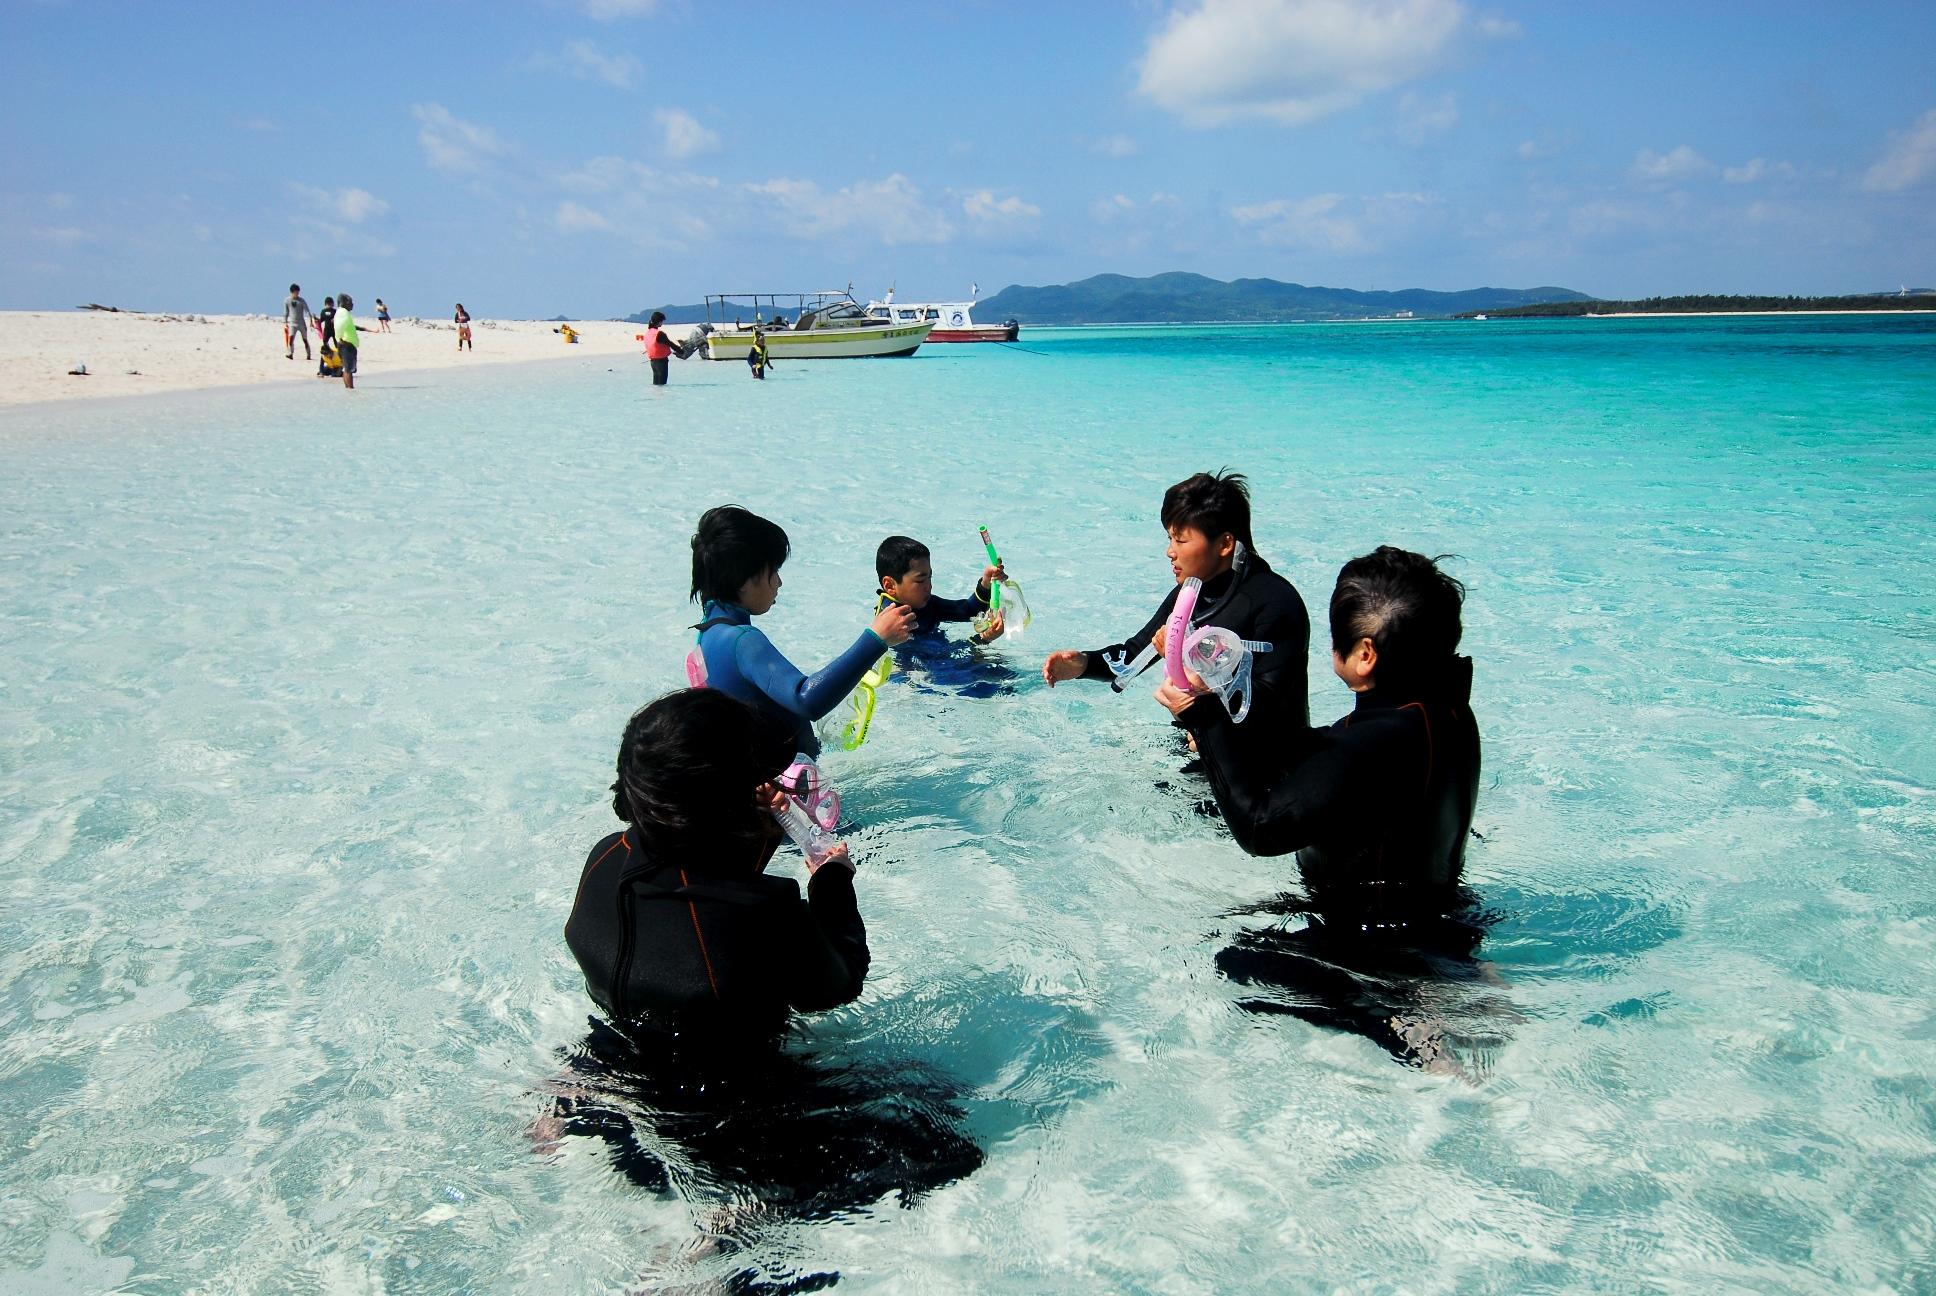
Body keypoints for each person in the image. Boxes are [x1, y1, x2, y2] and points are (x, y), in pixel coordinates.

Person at [1156, 546, 1481, 918]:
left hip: (1372, 957)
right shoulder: (1443, 712)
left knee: (1221, 950)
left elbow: (1260, 829)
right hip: (1439, 917)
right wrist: (1225, 719)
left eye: (1335, 633)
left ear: (1365, 655)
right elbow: (1330, 765)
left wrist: (1204, 722)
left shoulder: (1365, 747)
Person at [565, 689, 870, 1037]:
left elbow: (703, 886)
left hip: (610, 1045)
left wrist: (763, 822)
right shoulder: (764, 912)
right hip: (733, 1082)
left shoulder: (605, 856)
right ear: (730, 807)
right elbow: (836, 989)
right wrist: (833, 885)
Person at [1041, 471, 1310, 746]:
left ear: (1225, 544)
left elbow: (1271, 703)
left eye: (1180, 541)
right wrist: (1083, 664)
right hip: (1205, 744)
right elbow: (1136, 653)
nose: (1170, 552)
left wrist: (1185, 656)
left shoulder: (1275, 602)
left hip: (1268, 763)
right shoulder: (1191, 594)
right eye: (1170, 539)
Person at [689, 506, 915, 756]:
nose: (779, 582)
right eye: (773, 571)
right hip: (790, 789)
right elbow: (806, 700)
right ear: (743, 579)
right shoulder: (743, 641)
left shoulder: (708, 631)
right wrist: (876, 638)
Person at [876, 535, 1004, 645]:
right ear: (890, 586)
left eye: (929, 577)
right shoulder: (891, 625)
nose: (929, 586)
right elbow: (929, 661)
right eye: (920, 580)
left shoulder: (928, 604)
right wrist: (983, 638)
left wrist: (986, 582)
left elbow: (968, 610)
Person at [333, 292, 362, 390]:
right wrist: (339, 338)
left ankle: (348, 390)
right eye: (350, 302)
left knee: (346, 368)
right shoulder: (343, 313)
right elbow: (339, 326)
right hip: (346, 344)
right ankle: (350, 389)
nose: (352, 304)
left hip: (345, 344)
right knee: (348, 369)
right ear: (344, 302)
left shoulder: (340, 312)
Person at [644, 311, 675, 386]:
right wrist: (682, 351)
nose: (662, 323)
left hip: (653, 362)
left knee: (656, 384)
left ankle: (655, 397)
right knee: (662, 384)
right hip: (661, 362)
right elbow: (670, 344)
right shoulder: (659, 334)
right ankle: (662, 397)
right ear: (659, 321)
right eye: (662, 321)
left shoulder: (648, 333)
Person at [283, 283, 312, 360]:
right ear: (292, 292)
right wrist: (285, 322)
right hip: (292, 323)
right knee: (291, 338)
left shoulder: (301, 300)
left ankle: (308, 354)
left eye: (298, 292)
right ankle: (290, 353)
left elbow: (307, 311)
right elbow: (286, 312)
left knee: (305, 339)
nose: (297, 293)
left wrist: (311, 320)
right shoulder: (287, 300)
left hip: (301, 323)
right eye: (296, 292)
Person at [315, 296, 337, 378]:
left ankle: (322, 368)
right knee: (337, 347)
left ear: (325, 304)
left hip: (327, 331)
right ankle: (337, 362)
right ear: (332, 303)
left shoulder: (323, 311)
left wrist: (316, 321)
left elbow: (321, 321)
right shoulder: (335, 311)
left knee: (325, 348)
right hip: (334, 331)